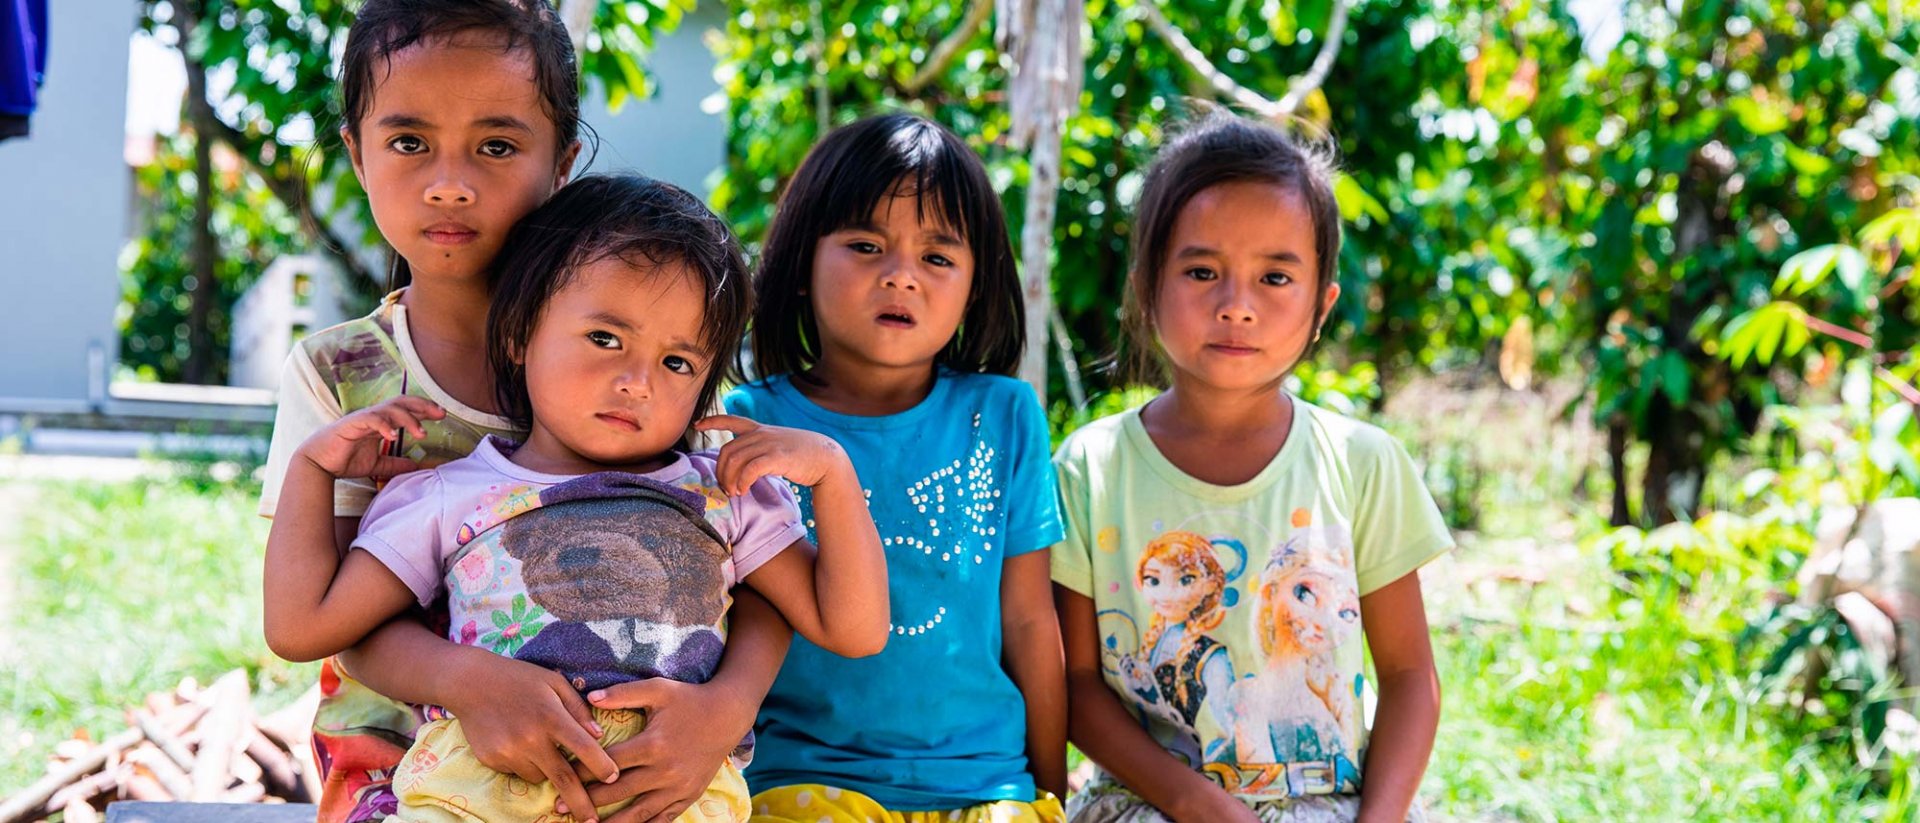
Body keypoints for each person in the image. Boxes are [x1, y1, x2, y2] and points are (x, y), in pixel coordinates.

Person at [263, 174, 889, 823]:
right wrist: (313, 467)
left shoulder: (725, 492)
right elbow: (303, 627)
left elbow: (855, 628)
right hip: (477, 792)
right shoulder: (448, 494)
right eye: (606, 338)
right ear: (519, 333)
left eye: (677, 362)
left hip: (668, 795)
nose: (637, 382)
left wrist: (836, 476)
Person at [1051, 114, 1451, 823]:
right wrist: (1189, 799)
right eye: (1202, 271)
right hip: (1149, 805)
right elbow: (1076, 681)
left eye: (1274, 276)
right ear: (1147, 288)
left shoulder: (1363, 464)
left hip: (1327, 804)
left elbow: (1410, 674)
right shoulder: (1089, 468)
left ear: (1321, 306)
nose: (1236, 306)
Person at [722, 113, 1068, 823]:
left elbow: (1032, 621)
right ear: (801, 260)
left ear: (977, 284)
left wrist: (1049, 789)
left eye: (937, 257)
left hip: (985, 783)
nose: (900, 275)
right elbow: (743, 619)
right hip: (803, 779)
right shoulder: (754, 420)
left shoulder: (1005, 415)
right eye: (865, 245)